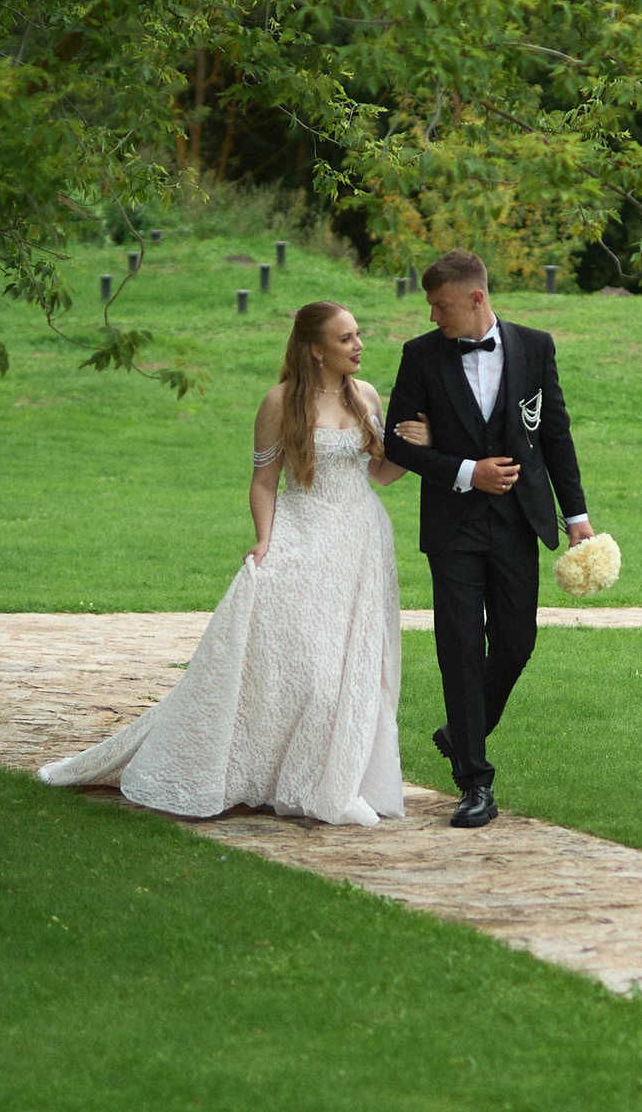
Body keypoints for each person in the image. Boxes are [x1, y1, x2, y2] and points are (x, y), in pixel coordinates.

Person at [37, 302, 407, 826]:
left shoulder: (365, 395)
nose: (358, 345)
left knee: (356, 668)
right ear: (314, 348)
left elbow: (382, 475)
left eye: (357, 335)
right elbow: (263, 482)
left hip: (363, 543)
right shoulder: (280, 403)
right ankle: (272, 773)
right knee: (312, 674)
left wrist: (420, 446)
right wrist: (264, 541)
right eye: (345, 338)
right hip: (304, 539)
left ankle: (332, 781)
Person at [384, 249, 591, 830]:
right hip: (453, 528)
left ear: (476, 298)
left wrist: (576, 515)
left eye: (442, 305)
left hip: (517, 522)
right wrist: (464, 469)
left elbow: (555, 437)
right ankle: (475, 781)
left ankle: (459, 732)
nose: (434, 316)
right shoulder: (420, 356)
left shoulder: (535, 346)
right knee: (457, 646)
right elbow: (395, 443)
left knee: (516, 644)